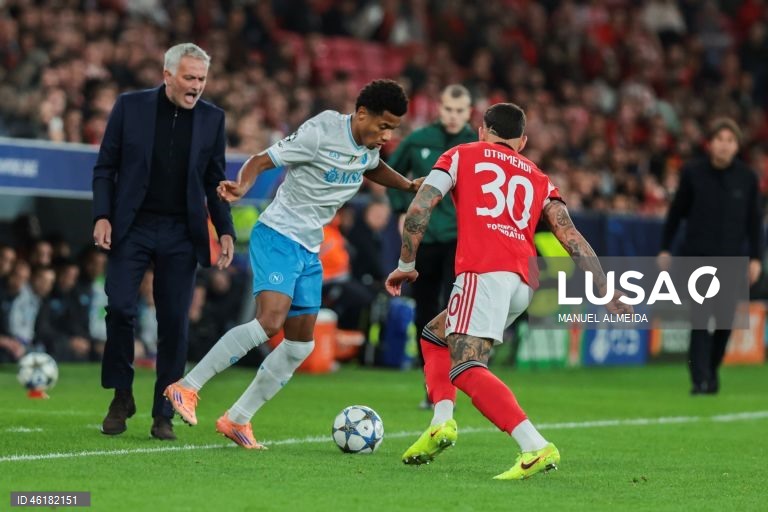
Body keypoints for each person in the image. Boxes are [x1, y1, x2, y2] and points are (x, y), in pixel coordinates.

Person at [164, 79, 423, 449]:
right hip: (278, 234)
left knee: (300, 345)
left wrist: (408, 185)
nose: (386, 135)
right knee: (269, 322)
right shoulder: (321, 131)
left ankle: (237, 419)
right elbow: (261, 159)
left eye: (393, 129)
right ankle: (186, 387)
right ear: (362, 114)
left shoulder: (367, 146)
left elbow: (372, 166)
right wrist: (241, 185)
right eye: (383, 126)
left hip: (308, 247)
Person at [385, 103, 630, 480]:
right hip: (522, 282)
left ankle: (534, 445)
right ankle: (441, 422)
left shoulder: (460, 153)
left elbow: (420, 206)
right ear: (523, 141)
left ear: (481, 131)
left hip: (483, 273)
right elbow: (570, 235)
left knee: (466, 367)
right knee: (436, 336)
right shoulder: (538, 176)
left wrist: (405, 265)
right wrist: (604, 285)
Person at [92, 43, 236, 441]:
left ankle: (164, 412)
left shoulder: (213, 119)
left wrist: (224, 229)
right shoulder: (129, 107)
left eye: (202, 79)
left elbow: (214, 181)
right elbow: (106, 166)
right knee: (120, 308)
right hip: (132, 225)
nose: (196, 87)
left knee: (174, 323)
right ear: (167, 74)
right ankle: (122, 396)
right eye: (189, 78)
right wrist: (102, 215)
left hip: (180, 232)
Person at [658, 117, 763, 395]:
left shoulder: (748, 178)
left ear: (737, 146)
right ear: (710, 143)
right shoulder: (693, 173)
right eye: (720, 139)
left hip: (732, 260)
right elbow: (676, 213)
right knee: (701, 320)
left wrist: (755, 258)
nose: (724, 145)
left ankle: (712, 370)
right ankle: (700, 380)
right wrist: (666, 248)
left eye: (730, 140)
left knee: (726, 322)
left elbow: (754, 222)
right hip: (698, 259)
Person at [387, 84, 476, 408]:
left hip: (460, 239)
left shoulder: (475, 146)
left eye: (460, 111)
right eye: (449, 109)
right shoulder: (419, 140)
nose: (453, 116)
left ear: (469, 113)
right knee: (424, 312)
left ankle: (460, 375)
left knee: (455, 309)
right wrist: (400, 210)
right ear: (440, 108)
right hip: (424, 238)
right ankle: (432, 384)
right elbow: (391, 173)